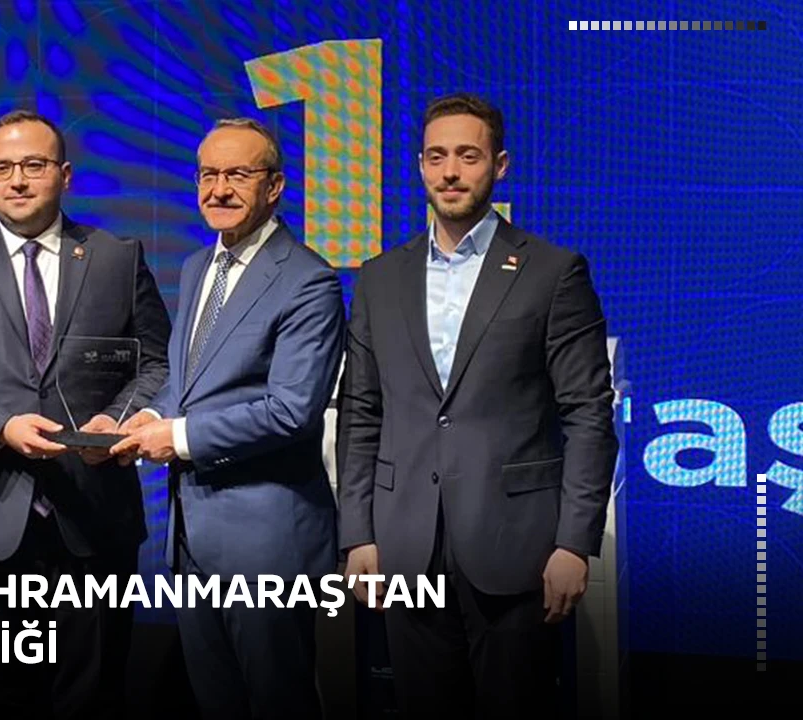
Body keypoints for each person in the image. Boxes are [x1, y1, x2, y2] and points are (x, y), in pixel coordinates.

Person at [336, 92, 619, 718]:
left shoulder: (553, 272)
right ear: (419, 166)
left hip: (516, 550)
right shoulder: (379, 277)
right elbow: (360, 410)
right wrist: (357, 533)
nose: (450, 172)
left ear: (500, 165)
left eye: (468, 156)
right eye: (436, 157)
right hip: (405, 548)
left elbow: (588, 415)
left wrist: (575, 543)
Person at [0, 109, 170, 720]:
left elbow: (157, 363)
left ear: (65, 175)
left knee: (93, 699)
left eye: (33, 165)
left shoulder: (117, 258)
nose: (16, 179)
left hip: (94, 518)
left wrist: (121, 421)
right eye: (1, 168)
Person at [112, 117, 345, 720]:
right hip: (193, 536)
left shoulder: (309, 281)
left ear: (275, 186)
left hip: (268, 544)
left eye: (237, 174)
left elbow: (292, 410)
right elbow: (189, 384)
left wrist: (177, 437)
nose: (218, 189)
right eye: (207, 175)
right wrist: (143, 419)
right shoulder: (198, 267)